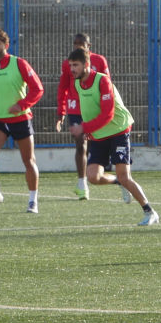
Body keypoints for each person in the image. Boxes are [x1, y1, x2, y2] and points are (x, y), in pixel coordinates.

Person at [66, 48, 158, 226]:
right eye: (70, 65)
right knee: (92, 177)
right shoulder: (77, 83)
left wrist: (84, 127)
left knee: (125, 175)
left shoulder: (102, 81)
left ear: (86, 65)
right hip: (99, 134)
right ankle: (118, 182)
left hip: (118, 131)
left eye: (75, 65)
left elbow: (108, 113)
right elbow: (88, 109)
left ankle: (150, 211)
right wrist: (88, 131)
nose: (72, 69)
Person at [0, 29, 44, 213]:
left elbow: (37, 89)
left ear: (6, 46)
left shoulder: (19, 63)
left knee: (28, 161)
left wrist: (22, 105)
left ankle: (33, 200)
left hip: (20, 119)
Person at [55, 33, 110, 200]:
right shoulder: (69, 64)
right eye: (75, 43)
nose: (78, 46)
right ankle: (82, 183)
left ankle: (115, 177)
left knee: (95, 145)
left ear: (88, 45)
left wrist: (105, 107)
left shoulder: (99, 61)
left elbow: (107, 84)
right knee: (80, 144)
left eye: (81, 43)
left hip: (93, 107)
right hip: (75, 108)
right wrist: (61, 113)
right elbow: (63, 87)